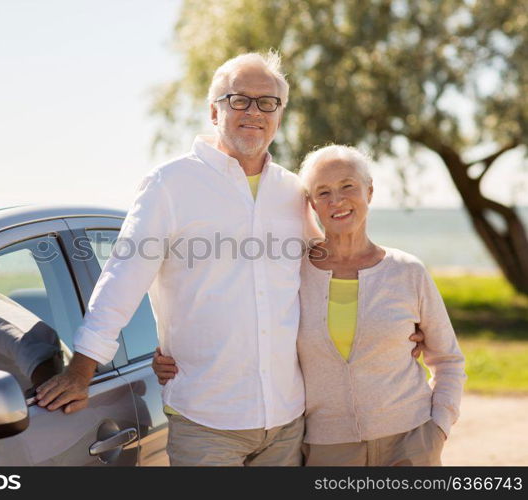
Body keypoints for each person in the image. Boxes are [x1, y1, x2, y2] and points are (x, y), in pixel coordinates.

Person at [36, 52, 422, 466]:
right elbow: (121, 280)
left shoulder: (292, 192)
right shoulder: (169, 185)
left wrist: (390, 325)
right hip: (206, 421)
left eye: (267, 102)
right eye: (240, 99)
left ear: (279, 114)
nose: (254, 111)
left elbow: (331, 268)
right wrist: (81, 371)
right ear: (214, 111)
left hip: (287, 421)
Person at [154, 145, 465, 466]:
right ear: (311, 204)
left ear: (369, 192)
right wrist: (174, 348)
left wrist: (438, 427)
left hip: (411, 443)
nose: (337, 201)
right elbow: (239, 314)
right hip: (328, 450)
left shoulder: (407, 271)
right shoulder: (292, 271)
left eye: (348, 186)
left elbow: (448, 359)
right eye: (323, 192)